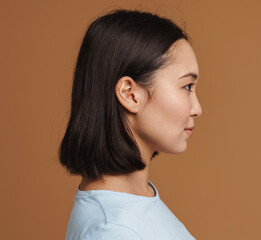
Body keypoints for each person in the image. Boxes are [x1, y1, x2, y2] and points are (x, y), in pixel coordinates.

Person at [59, 9, 202, 240]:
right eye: (187, 87)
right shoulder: (113, 230)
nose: (197, 109)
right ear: (130, 94)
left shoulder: (137, 199)